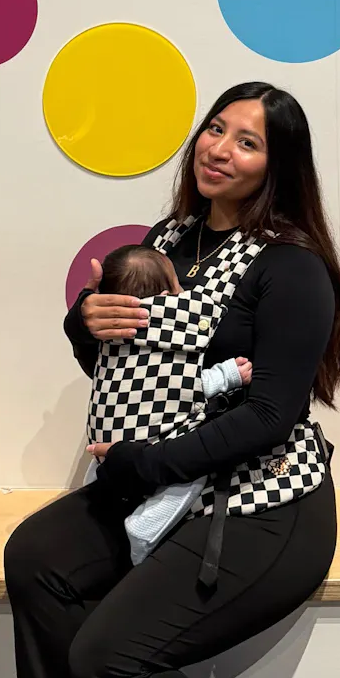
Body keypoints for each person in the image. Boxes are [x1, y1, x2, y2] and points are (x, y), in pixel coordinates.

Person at [4, 81, 340, 678]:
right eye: (216, 129)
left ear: (278, 166)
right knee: (36, 556)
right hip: (159, 491)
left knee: (108, 659)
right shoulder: (166, 242)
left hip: (263, 502)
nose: (220, 149)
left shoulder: (292, 267)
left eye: (249, 141)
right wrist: (84, 324)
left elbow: (270, 413)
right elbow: (125, 368)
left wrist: (143, 466)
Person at [86, 241, 252, 564]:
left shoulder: (111, 333)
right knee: (193, 470)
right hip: (151, 440)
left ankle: (94, 496)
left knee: (100, 471)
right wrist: (228, 374)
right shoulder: (175, 328)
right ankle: (145, 528)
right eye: (177, 286)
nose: (183, 293)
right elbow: (182, 387)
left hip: (104, 437)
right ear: (164, 299)